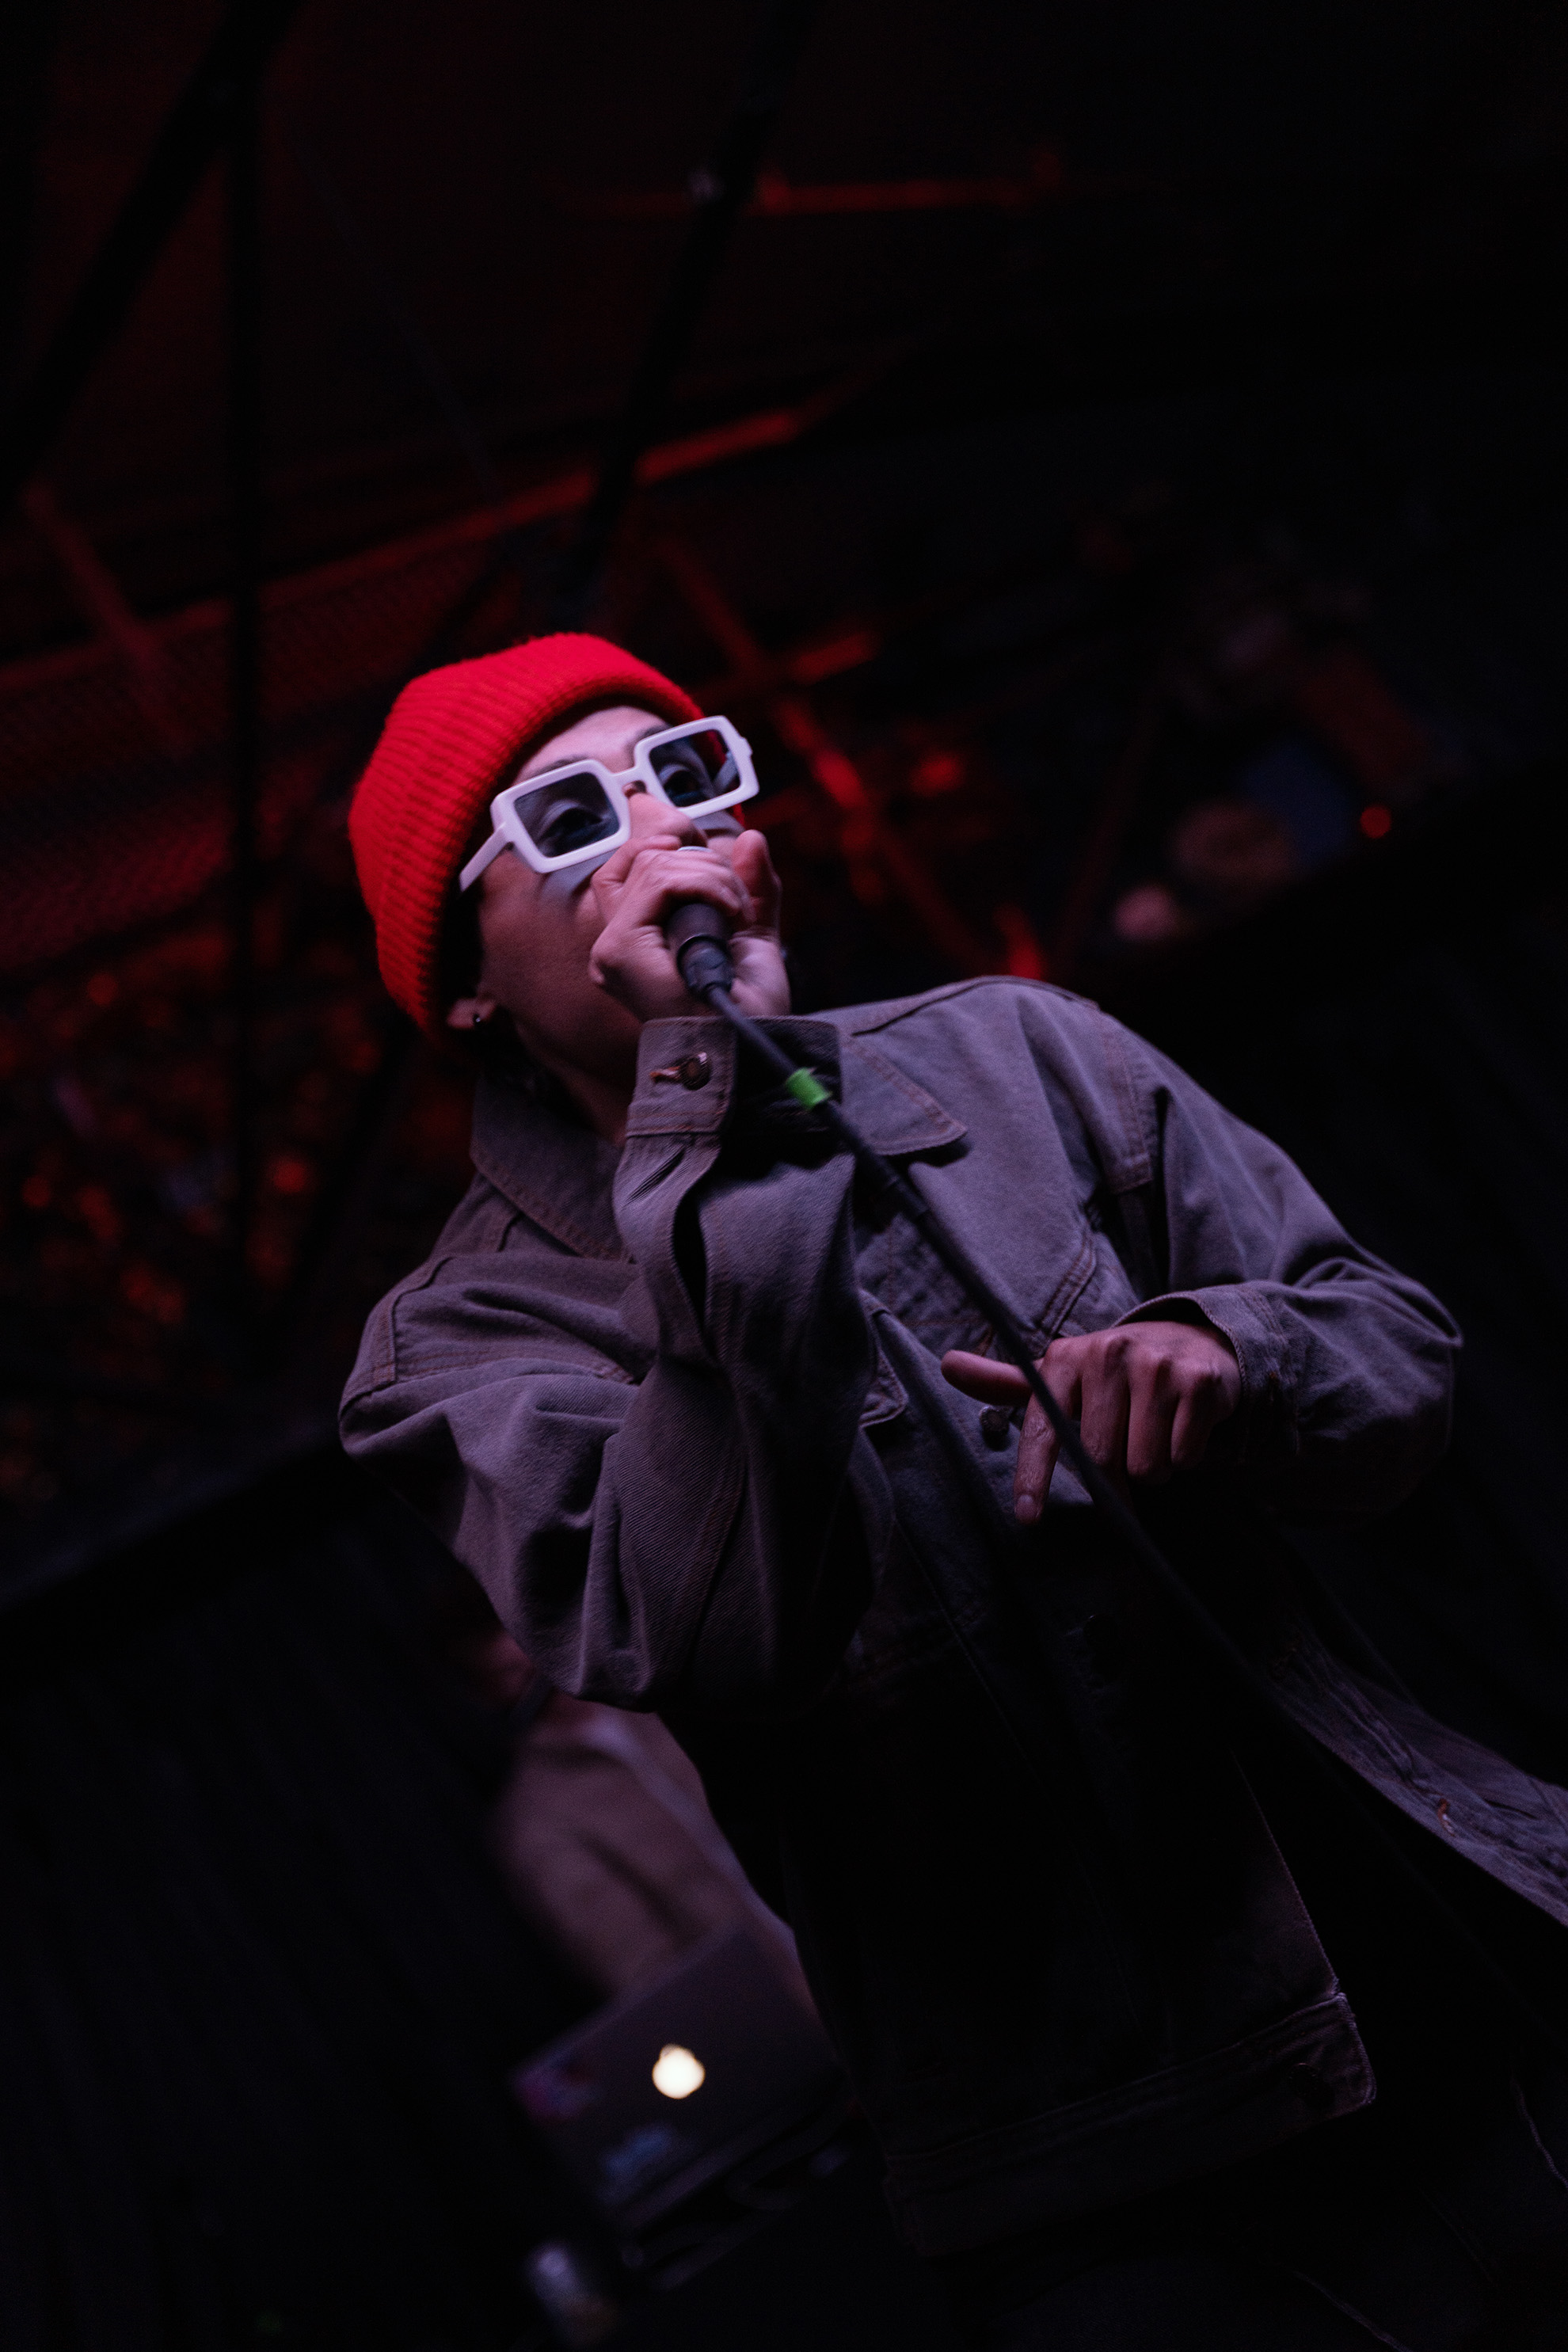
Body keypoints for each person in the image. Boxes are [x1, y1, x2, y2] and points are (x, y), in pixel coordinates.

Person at [341, 633, 1568, 2348]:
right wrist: (714, 1093)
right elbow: (698, 1621)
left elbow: (1398, 1357)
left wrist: (1230, 1358)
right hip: (1101, 2163)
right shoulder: (455, 1345)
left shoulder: (1018, 1055)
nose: (653, 837)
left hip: (1436, 1946)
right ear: (463, 980)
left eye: (681, 774)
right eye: (563, 817)